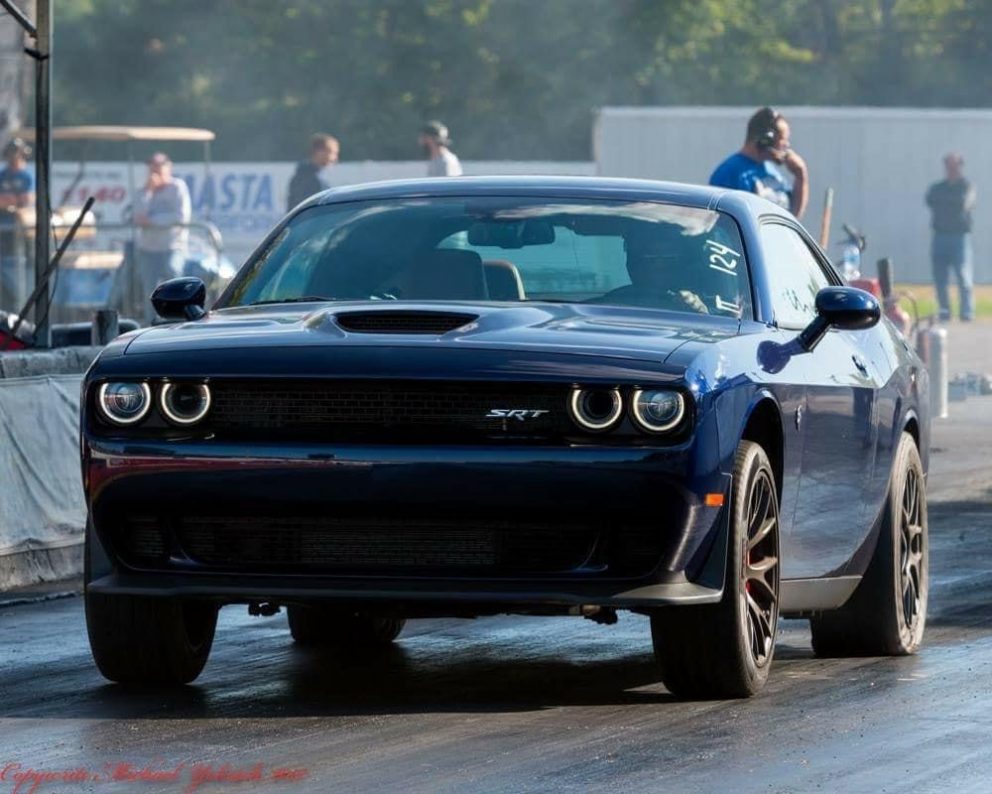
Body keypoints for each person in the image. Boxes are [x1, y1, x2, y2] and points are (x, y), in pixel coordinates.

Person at [709, 107, 808, 219]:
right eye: (783, 140)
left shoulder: (771, 171)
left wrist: (800, 175)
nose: (787, 145)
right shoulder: (730, 174)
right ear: (766, 140)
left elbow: (793, 216)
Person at [133, 152, 191, 322]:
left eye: (159, 166)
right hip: (148, 249)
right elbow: (138, 216)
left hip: (173, 245)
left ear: (168, 167)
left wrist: (151, 221)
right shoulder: (143, 191)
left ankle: (179, 320)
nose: (155, 171)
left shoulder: (177, 187)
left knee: (174, 278)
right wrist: (149, 191)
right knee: (149, 290)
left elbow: (180, 217)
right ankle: (151, 323)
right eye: (152, 167)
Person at [925, 152, 975, 322]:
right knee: (940, 278)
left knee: (963, 275)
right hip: (940, 237)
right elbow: (930, 199)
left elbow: (964, 203)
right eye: (949, 165)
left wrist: (946, 202)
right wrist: (950, 202)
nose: (952, 169)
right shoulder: (938, 187)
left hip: (959, 238)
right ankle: (945, 311)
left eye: (955, 165)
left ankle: (967, 312)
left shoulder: (966, 186)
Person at [0, 138, 34, 309]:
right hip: (3, 228)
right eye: (13, 153)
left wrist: (10, 202)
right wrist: (9, 202)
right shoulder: (2, 175)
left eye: (19, 153)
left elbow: (26, 200)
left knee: (19, 274)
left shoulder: (26, 175)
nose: (15, 157)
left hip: (19, 230)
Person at [287, 133, 339, 211]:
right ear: (319, 152)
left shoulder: (305, 175)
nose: (335, 158)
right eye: (332, 152)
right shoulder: (309, 179)